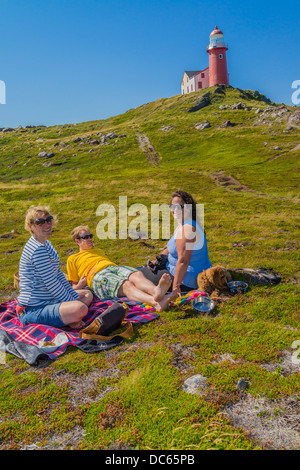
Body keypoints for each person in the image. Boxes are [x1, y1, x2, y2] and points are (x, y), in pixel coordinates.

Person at [67, 225, 179, 312]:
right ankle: (156, 303)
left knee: (137, 275)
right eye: (85, 237)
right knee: (126, 285)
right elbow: (73, 286)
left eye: (90, 236)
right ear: (77, 241)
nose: (90, 239)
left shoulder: (99, 251)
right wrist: (80, 285)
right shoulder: (72, 259)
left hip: (112, 267)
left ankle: (156, 292)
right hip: (96, 275)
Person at [17, 206, 93, 329]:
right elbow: (52, 283)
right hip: (32, 309)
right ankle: (71, 318)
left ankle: (70, 319)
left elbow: (57, 274)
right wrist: (71, 301)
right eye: (40, 222)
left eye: (49, 220)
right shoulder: (37, 249)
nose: (47, 225)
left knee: (87, 295)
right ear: (31, 226)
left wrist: (72, 295)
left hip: (50, 300)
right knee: (80, 308)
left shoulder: (47, 244)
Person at [137, 190, 212, 295]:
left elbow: (183, 261)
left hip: (186, 280)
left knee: (136, 276)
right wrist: (157, 260)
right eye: (172, 207)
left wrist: (175, 288)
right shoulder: (184, 224)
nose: (175, 210)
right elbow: (169, 247)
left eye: (179, 206)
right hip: (181, 272)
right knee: (139, 272)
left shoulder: (188, 229)